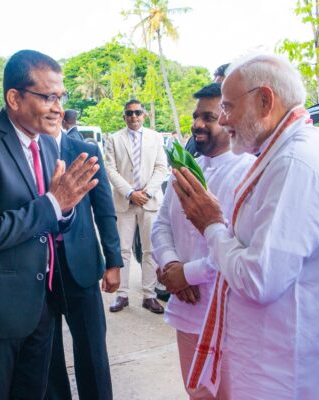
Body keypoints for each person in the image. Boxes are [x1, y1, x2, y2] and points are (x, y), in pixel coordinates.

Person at [172, 54, 319, 399]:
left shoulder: (296, 161)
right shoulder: (285, 153)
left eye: (228, 107)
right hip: (278, 364)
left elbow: (259, 279)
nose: (223, 119)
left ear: (265, 100)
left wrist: (211, 225)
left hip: (289, 372)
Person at [0, 50, 100, 400]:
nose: (58, 108)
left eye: (61, 97)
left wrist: (64, 210)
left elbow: (51, 220)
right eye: (48, 97)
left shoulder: (46, 146)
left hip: (39, 307)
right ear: (14, 98)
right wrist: (53, 204)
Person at [152, 82, 255, 399]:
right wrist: (171, 264)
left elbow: (241, 248)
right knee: (196, 393)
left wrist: (187, 274)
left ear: (229, 119)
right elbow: (161, 225)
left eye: (208, 117)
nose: (197, 124)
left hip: (227, 315)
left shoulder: (249, 173)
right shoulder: (186, 168)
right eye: (196, 116)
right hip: (187, 309)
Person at [45, 117, 122, 400]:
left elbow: (104, 210)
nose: (52, 108)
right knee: (47, 355)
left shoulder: (85, 151)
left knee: (92, 350)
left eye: (57, 99)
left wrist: (113, 261)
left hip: (81, 265)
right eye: (46, 99)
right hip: (39, 269)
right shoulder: (24, 154)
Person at [105, 99, 168, 314]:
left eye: (137, 112)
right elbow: (110, 170)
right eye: (129, 113)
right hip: (125, 201)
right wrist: (130, 193)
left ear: (144, 115)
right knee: (122, 249)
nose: (133, 116)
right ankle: (122, 294)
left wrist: (146, 193)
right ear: (124, 116)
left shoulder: (155, 137)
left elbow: (161, 167)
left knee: (150, 250)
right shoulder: (114, 139)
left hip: (150, 201)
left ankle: (149, 295)